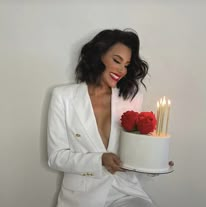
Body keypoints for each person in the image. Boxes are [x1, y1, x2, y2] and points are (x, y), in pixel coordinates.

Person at [47, 29, 173, 207]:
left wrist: (154, 160)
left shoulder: (131, 99)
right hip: (82, 196)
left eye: (127, 65)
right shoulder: (63, 97)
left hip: (125, 192)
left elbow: (133, 154)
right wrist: (99, 160)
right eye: (116, 61)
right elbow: (56, 157)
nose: (122, 70)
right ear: (99, 57)